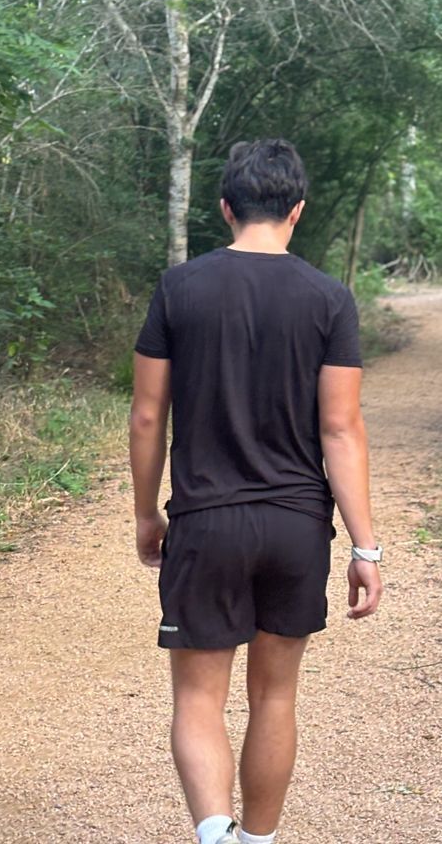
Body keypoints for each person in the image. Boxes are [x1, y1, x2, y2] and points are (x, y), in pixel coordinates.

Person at [130, 138, 383, 844]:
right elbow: (342, 428)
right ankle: (258, 841)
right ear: (297, 211)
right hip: (298, 527)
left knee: (198, 698)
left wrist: (147, 511)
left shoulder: (179, 289)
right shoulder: (329, 299)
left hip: (207, 522)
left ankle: (216, 836)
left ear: (224, 208)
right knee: (275, 696)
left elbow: (149, 412)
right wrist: (366, 545)